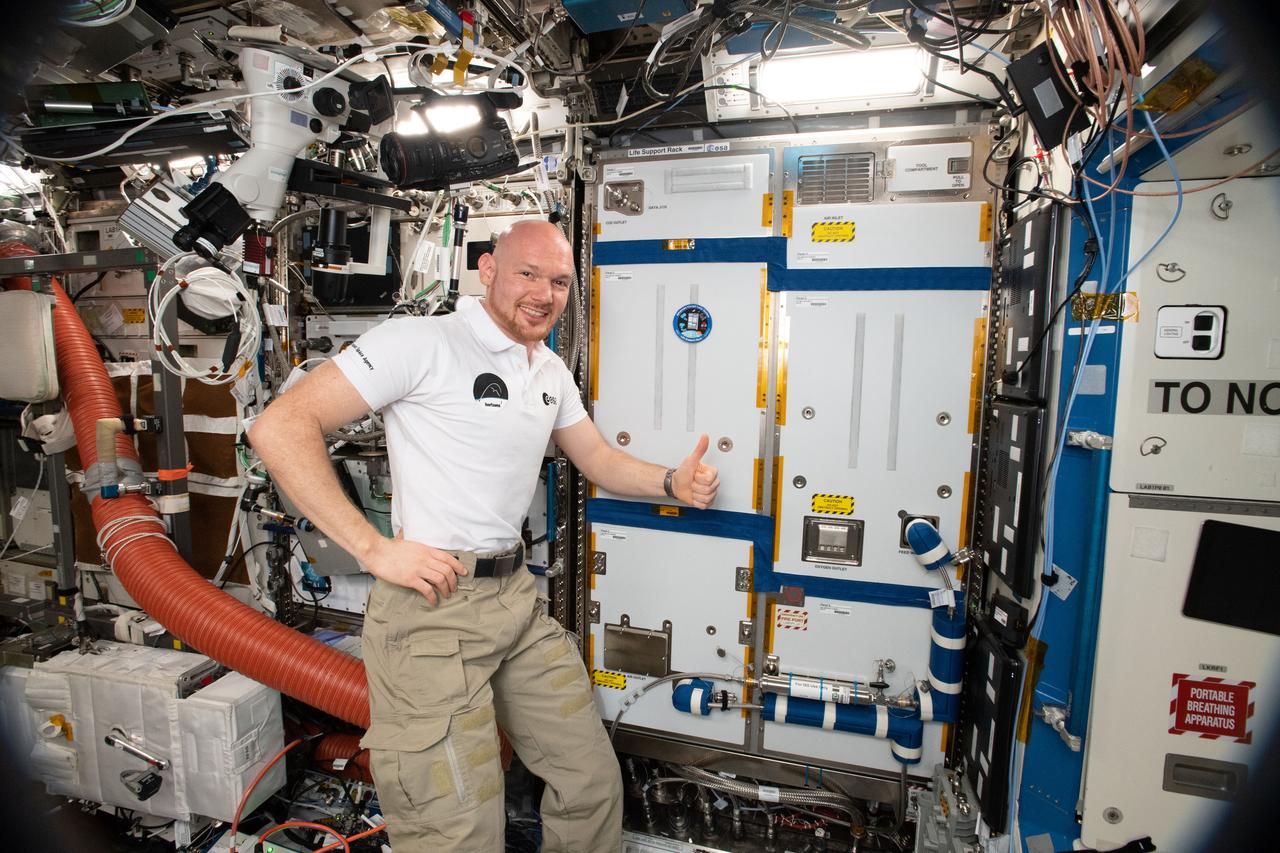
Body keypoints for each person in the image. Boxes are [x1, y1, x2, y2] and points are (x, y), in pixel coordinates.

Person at [247, 219, 720, 852]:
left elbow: (599, 461)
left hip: (515, 602)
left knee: (590, 784)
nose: (544, 293)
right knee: (459, 826)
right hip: (432, 611)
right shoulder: (421, 342)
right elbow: (280, 427)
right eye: (528, 274)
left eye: (559, 281)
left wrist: (673, 483)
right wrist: (373, 548)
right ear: (488, 270)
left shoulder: (548, 368)